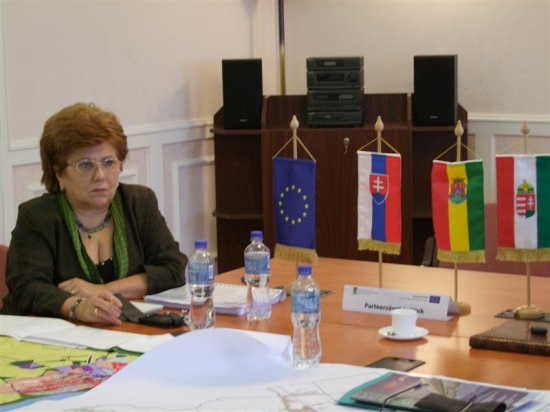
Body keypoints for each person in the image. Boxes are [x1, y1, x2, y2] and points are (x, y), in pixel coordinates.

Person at [1, 103, 187, 325]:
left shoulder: (139, 203)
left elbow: (172, 269)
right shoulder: (37, 216)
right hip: (46, 337)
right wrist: (77, 306)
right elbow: (27, 288)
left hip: (123, 330)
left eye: (109, 163)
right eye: (85, 165)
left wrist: (102, 290)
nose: (100, 175)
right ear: (59, 172)